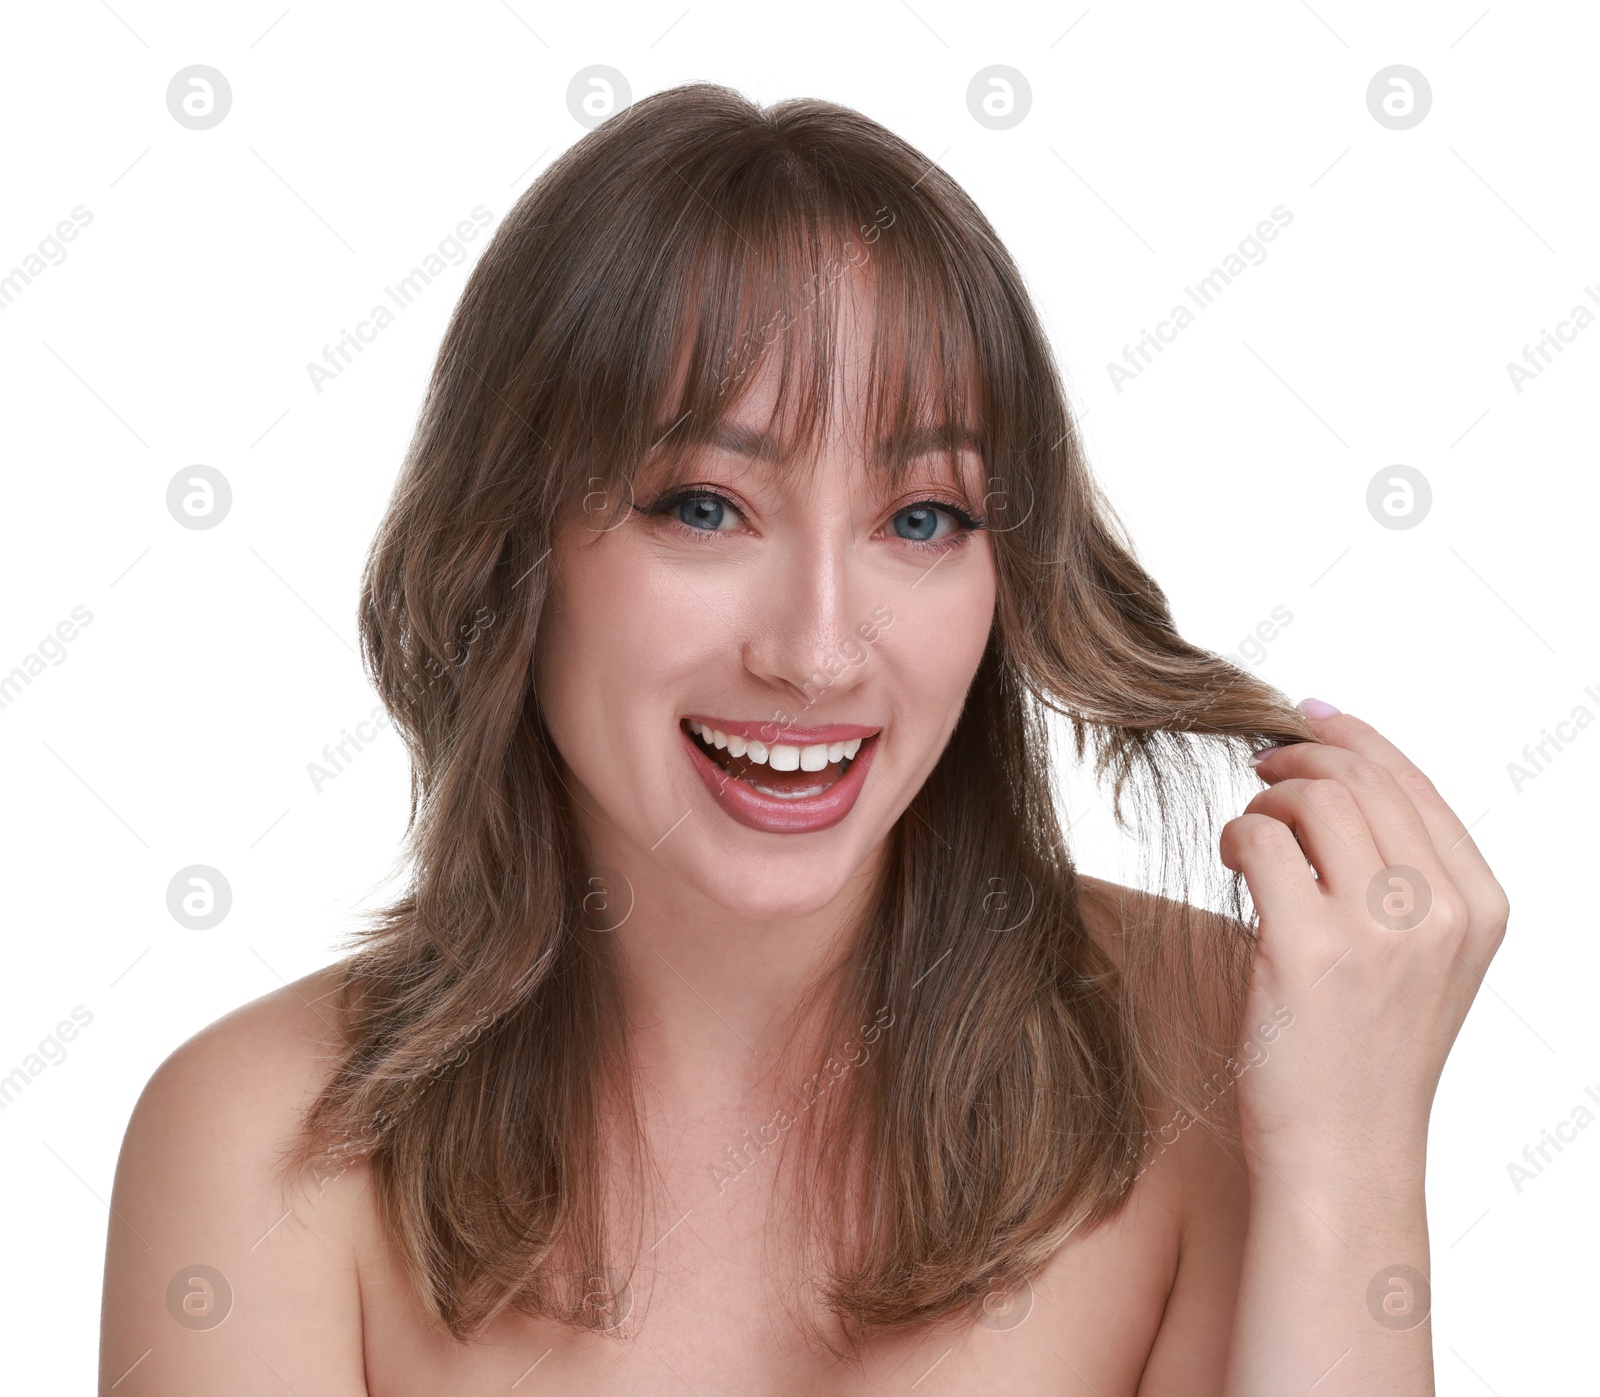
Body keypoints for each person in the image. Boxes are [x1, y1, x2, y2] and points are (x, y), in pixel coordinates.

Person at [98, 82, 1508, 1395]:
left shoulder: (1230, 1051)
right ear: (510, 550)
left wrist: (1352, 1166)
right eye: (704, 506)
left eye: (922, 518)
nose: (819, 649)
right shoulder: (261, 1148)